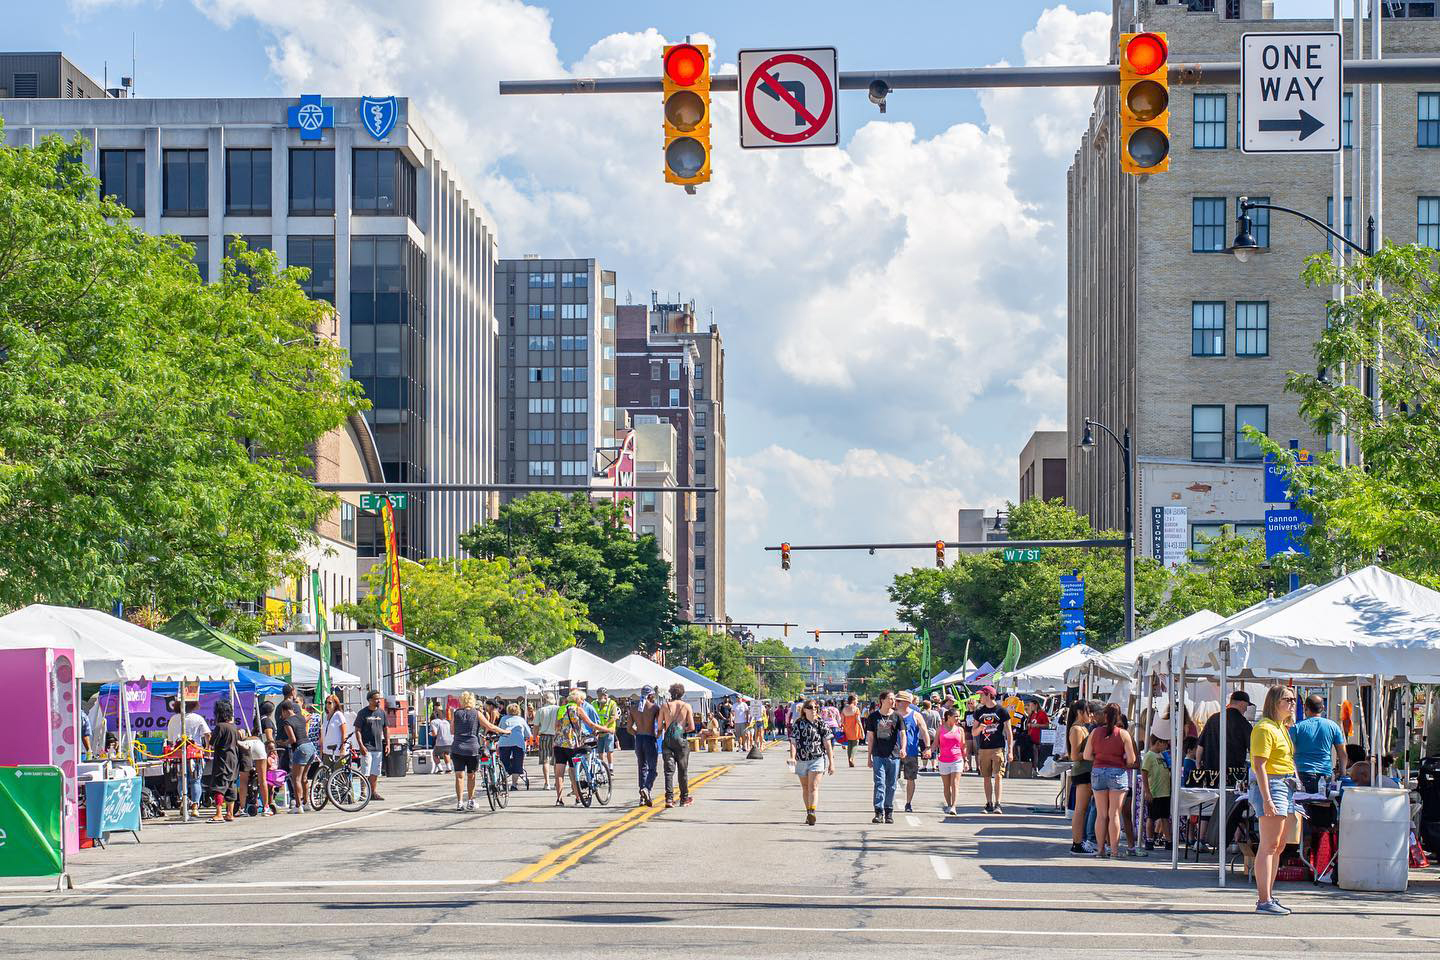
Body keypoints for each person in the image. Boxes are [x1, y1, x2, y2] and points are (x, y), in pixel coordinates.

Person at [1249, 685, 1299, 915]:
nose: (1292, 703)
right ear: (1275, 702)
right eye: (1287, 699)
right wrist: (1267, 798)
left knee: (1278, 845)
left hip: (1285, 784)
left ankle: (1268, 895)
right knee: (1269, 845)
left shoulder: (1282, 727)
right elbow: (1258, 765)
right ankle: (1263, 899)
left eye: (1293, 700)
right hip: (1273, 783)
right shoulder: (1264, 728)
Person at [1084, 703, 1137, 859]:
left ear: (1105, 715)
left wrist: (1100, 758)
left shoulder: (1094, 732)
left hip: (1098, 771)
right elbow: (1132, 759)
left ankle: (1100, 849)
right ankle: (1114, 851)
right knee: (1114, 814)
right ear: (1119, 716)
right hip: (1117, 772)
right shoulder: (1123, 734)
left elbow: (1087, 755)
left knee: (1101, 814)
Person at [554, 689, 613, 806]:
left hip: (559, 744)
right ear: (578, 699)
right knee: (572, 770)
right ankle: (578, 797)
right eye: (582, 699)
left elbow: (556, 725)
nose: (583, 701)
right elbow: (591, 724)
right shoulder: (577, 709)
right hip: (572, 744)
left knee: (559, 773)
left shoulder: (560, 709)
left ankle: (559, 799)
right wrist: (607, 729)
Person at [451, 691, 503, 810]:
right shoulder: (477, 713)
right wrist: (504, 731)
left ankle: (459, 803)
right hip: (472, 748)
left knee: (459, 776)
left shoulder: (456, 713)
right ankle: (470, 801)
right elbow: (489, 726)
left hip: (457, 747)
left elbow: (452, 731)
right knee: (471, 776)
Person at [788, 699, 834, 825]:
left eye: (815, 707)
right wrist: (792, 756)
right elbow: (793, 742)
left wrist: (831, 762)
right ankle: (808, 811)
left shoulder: (821, 723)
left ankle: (812, 812)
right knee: (805, 787)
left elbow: (827, 744)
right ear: (804, 709)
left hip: (817, 758)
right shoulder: (798, 724)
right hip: (801, 759)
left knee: (813, 786)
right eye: (810, 707)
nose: (813, 709)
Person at [968, 686, 1012, 814]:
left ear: (988, 695)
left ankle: (998, 803)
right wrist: (980, 728)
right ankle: (989, 803)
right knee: (986, 777)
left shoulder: (1002, 711)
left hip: (998, 747)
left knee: (998, 776)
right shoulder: (979, 711)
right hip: (984, 748)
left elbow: (1009, 732)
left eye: (982, 695)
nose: (980, 698)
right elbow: (974, 732)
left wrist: (1010, 751)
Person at [1289, 694, 1346, 794]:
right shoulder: (1333, 726)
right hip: (1325, 775)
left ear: (1305, 707)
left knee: (1303, 806)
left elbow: (1288, 753)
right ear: (1323, 708)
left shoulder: (1296, 727)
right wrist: (1342, 772)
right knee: (1322, 806)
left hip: (1302, 773)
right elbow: (1342, 753)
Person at [864, 691, 906, 824]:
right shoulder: (873, 717)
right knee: (879, 783)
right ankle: (878, 812)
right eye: (890, 699)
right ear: (882, 700)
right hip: (878, 755)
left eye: (894, 699)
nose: (893, 701)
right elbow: (870, 738)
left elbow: (903, 734)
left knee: (891, 785)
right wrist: (869, 757)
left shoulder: (897, 716)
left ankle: (889, 811)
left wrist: (903, 748)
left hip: (894, 755)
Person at [165, 696, 210, 818]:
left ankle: (183, 803)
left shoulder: (173, 719)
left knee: (181, 780)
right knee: (196, 780)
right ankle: (195, 806)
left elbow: (169, 741)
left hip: (178, 754)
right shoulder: (198, 718)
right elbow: (207, 734)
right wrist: (208, 749)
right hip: (195, 754)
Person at [1198, 690, 1253, 784]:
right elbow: (1253, 749)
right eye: (1247, 706)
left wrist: (1198, 766)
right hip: (1234, 775)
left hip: (1210, 774)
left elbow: (1200, 746)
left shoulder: (1213, 718)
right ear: (1242, 704)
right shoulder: (1244, 724)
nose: (1246, 709)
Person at [658, 683, 697, 807]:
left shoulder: (664, 706)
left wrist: (667, 727)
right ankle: (684, 798)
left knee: (668, 771)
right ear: (682, 694)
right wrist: (680, 730)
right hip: (681, 742)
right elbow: (692, 727)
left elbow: (659, 726)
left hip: (668, 741)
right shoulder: (686, 706)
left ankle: (669, 799)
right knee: (682, 770)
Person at [894, 692, 931, 813]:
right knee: (892, 778)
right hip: (893, 752)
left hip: (911, 751)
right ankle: (889, 802)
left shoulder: (915, 715)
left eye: (899, 701)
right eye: (896, 700)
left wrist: (928, 747)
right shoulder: (893, 715)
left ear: (906, 702)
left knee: (910, 778)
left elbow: (924, 731)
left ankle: (908, 803)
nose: (896, 703)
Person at [1067, 701, 1096, 855]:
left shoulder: (1083, 728)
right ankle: (1077, 843)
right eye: (1088, 711)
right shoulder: (1077, 729)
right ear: (1079, 712)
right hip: (1082, 772)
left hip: (1085, 771)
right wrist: (1092, 755)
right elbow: (1074, 755)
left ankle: (1079, 842)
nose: (1091, 715)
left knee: (1083, 809)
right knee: (1080, 809)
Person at [208, 699, 241, 823]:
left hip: (223, 759)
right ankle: (230, 813)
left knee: (219, 786)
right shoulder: (233, 727)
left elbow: (212, 742)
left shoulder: (220, 727)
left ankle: (218, 814)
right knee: (231, 786)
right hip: (234, 759)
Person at [354, 690, 390, 802]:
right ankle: (363, 793)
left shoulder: (382, 713)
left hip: (378, 747)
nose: (378, 700)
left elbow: (386, 729)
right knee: (366, 771)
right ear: (369, 700)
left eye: (379, 698)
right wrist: (361, 745)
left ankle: (373, 793)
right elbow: (357, 730)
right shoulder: (362, 713)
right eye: (375, 698)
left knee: (375, 772)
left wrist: (388, 744)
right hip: (367, 747)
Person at [630, 686, 660, 806]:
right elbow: (660, 724)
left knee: (641, 767)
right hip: (649, 737)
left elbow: (629, 728)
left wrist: (637, 733)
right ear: (651, 695)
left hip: (639, 739)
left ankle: (642, 797)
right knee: (652, 769)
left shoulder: (633, 708)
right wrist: (657, 735)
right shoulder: (654, 708)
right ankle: (647, 788)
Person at [1141, 734, 1172, 849]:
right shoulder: (1149, 756)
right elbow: (1144, 772)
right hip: (1155, 792)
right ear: (1158, 742)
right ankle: (1149, 840)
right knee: (1151, 817)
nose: (1166, 745)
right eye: (1164, 743)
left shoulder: (1162, 755)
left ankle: (1168, 841)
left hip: (1165, 792)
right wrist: (1147, 791)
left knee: (1164, 817)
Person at [936, 708, 966, 815]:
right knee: (946, 785)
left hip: (957, 759)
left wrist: (966, 760)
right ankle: (948, 805)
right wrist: (929, 750)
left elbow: (963, 746)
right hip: (943, 760)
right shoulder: (940, 729)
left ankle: (954, 806)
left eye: (958, 716)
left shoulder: (960, 730)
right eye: (956, 716)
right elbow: (935, 743)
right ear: (949, 717)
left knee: (955, 784)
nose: (958, 718)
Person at [497, 703, 532, 790]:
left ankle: (505, 780)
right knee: (517, 762)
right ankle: (514, 784)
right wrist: (526, 737)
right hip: (518, 742)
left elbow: (499, 729)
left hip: (504, 741)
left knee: (504, 762)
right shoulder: (521, 720)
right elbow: (528, 733)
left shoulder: (503, 719)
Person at [535, 692, 561, 790]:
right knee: (556, 761)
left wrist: (534, 737)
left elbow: (536, 726)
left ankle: (547, 783)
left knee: (545, 760)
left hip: (544, 736)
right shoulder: (558, 709)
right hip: (556, 736)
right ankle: (556, 782)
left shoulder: (540, 710)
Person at [593, 688, 619, 773]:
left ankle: (610, 767)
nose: (600, 697)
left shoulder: (612, 703)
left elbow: (614, 716)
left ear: (606, 695)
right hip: (598, 731)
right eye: (599, 695)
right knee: (600, 751)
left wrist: (605, 726)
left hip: (608, 730)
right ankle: (602, 767)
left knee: (609, 750)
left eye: (602, 695)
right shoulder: (594, 703)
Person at [840, 694, 864, 767]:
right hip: (855, 729)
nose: (857, 701)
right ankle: (851, 758)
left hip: (847, 729)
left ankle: (849, 759)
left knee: (849, 745)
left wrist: (842, 729)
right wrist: (862, 730)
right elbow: (858, 721)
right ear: (853, 700)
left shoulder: (844, 709)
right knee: (855, 743)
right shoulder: (856, 709)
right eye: (856, 700)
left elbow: (842, 721)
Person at [428, 706, 454, 774]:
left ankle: (440, 769)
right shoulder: (446, 721)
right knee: (446, 753)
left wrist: (431, 734)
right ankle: (449, 769)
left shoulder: (433, 722)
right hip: (450, 740)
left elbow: (435, 733)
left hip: (441, 741)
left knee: (435, 754)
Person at [1027, 702, 1052, 767]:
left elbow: (1047, 725)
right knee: (1033, 754)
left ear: (1036, 705)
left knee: (1038, 754)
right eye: (1030, 705)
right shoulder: (1032, 714)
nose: (1031, 707)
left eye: (1032, 705)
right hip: (1031, 738)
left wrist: (1038, 725)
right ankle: (1034, 767)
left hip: (1039, 738)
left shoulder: (1042, 713)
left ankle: (1038, 766)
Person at [922, 699, 943, 771]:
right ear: (930, 705)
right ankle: (934, 766)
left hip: (923, 735)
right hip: (934, 733)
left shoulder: (922, 713)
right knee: (934, 750)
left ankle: (924, 766)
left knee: (924, 749)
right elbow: (940, 723)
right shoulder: (936, 713)